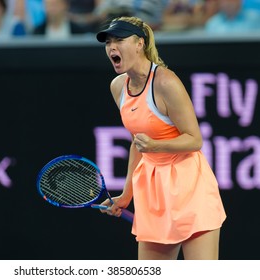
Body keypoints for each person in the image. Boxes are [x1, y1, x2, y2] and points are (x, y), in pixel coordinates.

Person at [96, 16, 226, 260]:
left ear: (139, 44)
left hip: (190, 188)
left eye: (119, 40)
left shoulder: (166, 82)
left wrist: (156, 145)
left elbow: (194, 139)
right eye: (108, 43)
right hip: (153, 193)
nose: (112, 47)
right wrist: (126, 195)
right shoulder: (118, 87)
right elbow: (138, 143)